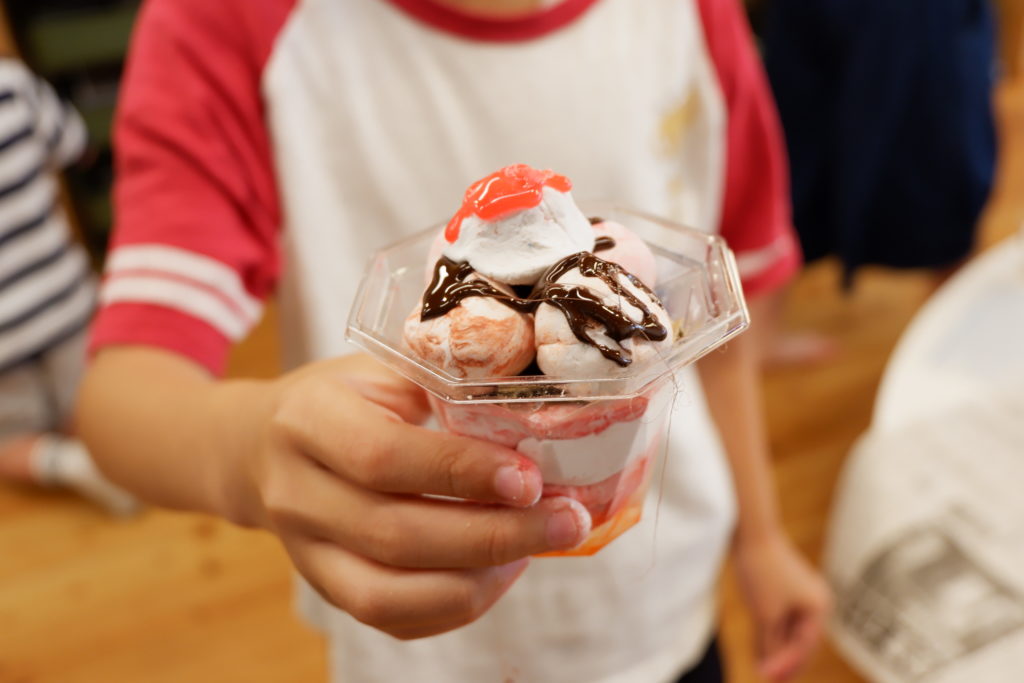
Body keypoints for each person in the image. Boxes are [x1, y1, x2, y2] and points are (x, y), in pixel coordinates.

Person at [78, 0, 830, 680]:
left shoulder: (692, 15)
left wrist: (761, 538)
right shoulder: (231, 19)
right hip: (416, 632)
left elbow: (719, 332)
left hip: (661, 593)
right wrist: (246, 449)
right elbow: (122, 400)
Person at [0, 58, 136, 515]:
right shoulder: (12, 86)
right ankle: (106, 458)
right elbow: (76, 146)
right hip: (63, 298)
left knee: (9, 437)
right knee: (87, 403)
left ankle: (67, 463)